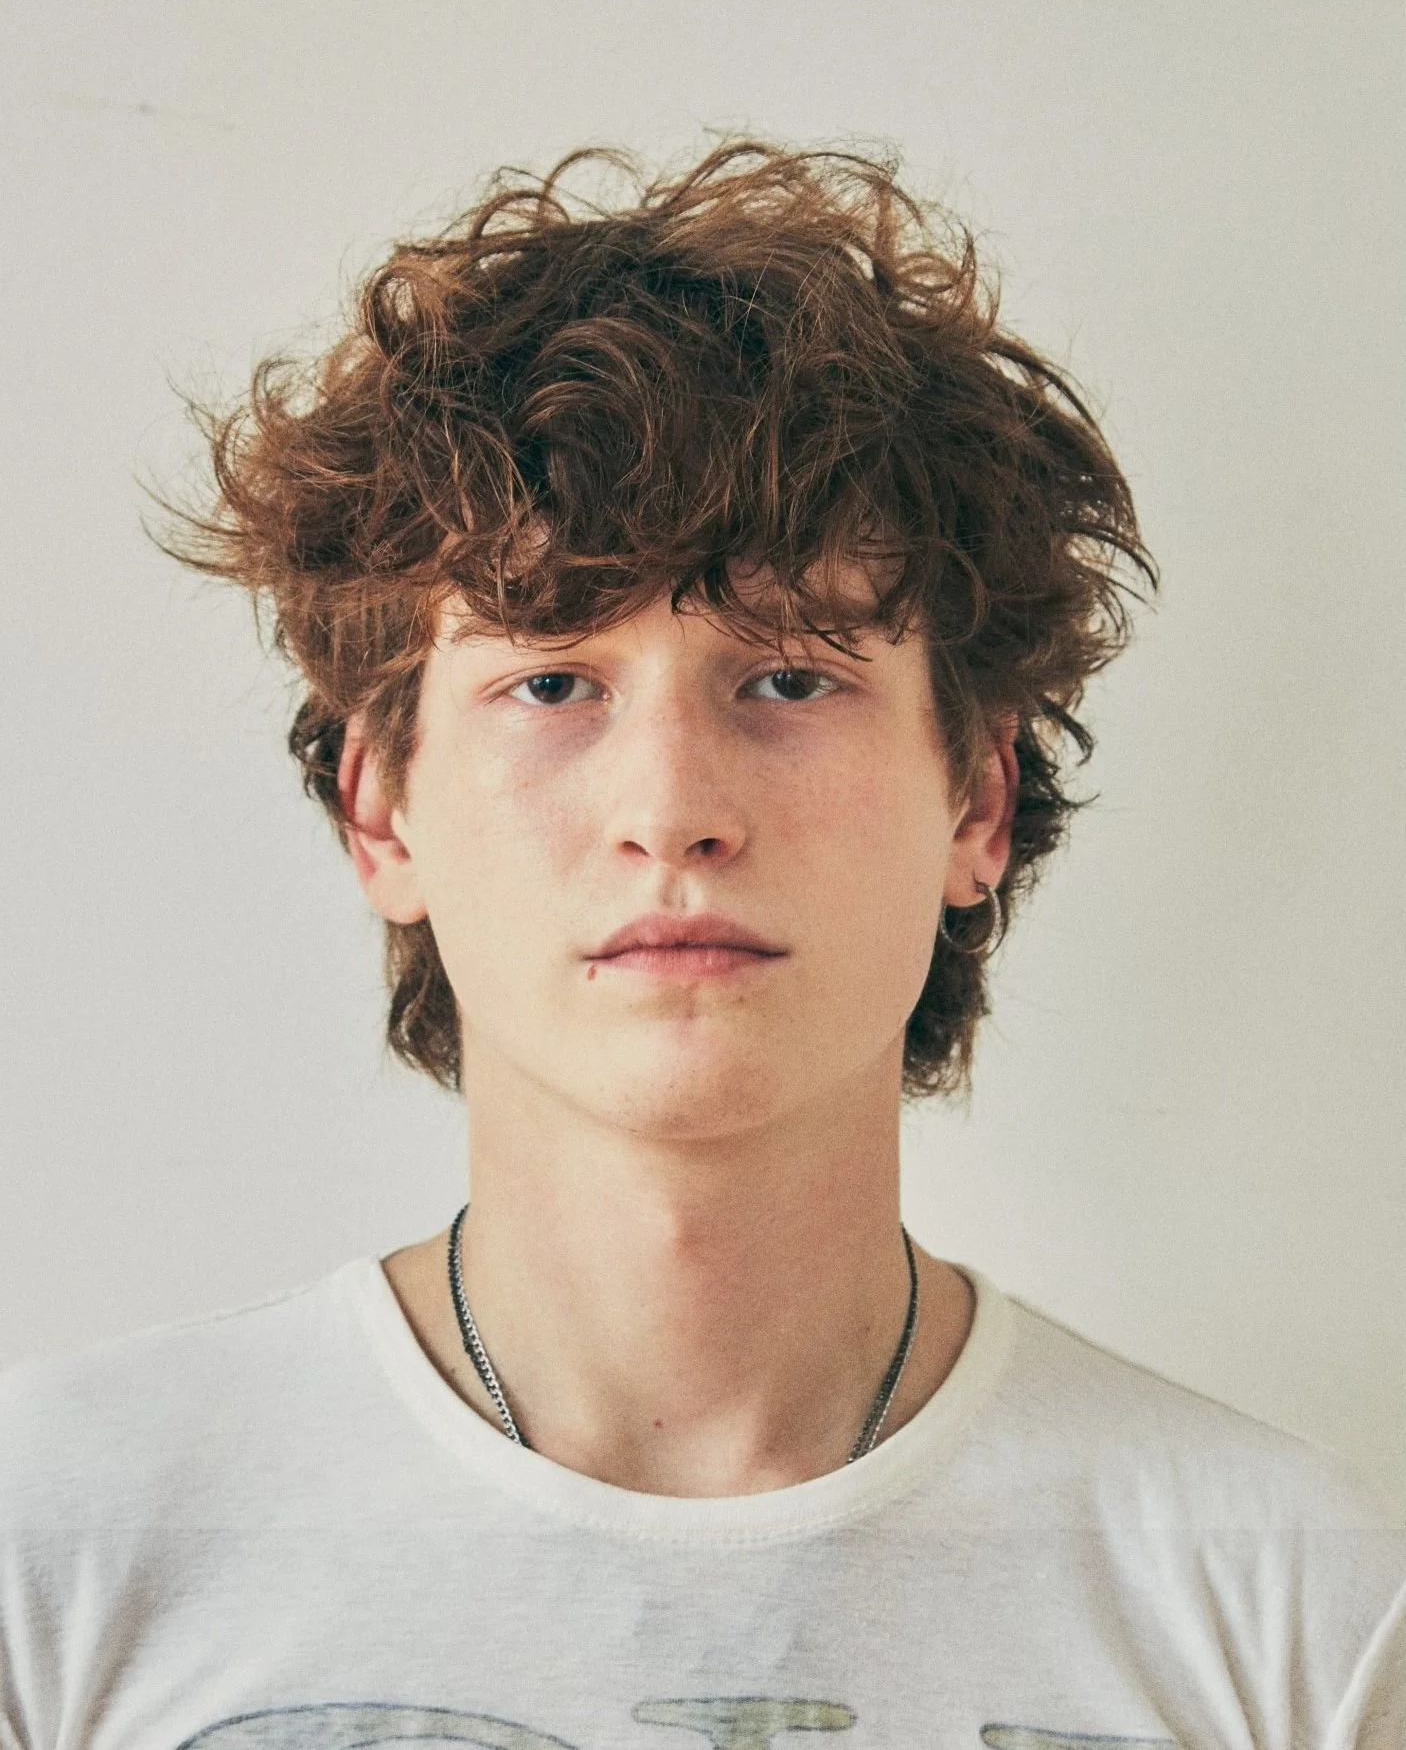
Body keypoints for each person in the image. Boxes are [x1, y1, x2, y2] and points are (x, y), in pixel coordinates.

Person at [1, 139, 1401, 1750]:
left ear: (977, 799)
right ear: (381, 812)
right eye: (550, 683)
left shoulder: (1290, 1609)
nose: (671, 811)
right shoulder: (59, 1545)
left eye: (790, 678)